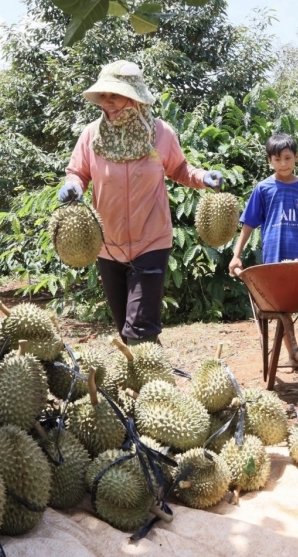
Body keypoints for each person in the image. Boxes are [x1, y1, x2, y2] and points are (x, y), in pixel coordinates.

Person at [59, 60, 222, 344]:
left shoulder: (160, 133)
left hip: (151, 241)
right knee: (126, 329)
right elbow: (78, 172)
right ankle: (150, 369)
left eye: (115, 95)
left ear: (134, 97)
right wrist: (72, 185)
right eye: (103, 95)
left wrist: (203, 177)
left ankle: (148, 368)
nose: (107, 102)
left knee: (139, 328)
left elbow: (180, 169)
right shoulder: (91, 136)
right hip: (108, 244)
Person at [228, 133, 298, 276]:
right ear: (270, 161)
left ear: (296, 157)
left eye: (287, 158)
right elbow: (249, 223)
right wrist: (236, 256)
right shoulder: (263, 188)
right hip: (272, 258)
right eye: (277, 159)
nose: (283, 164)